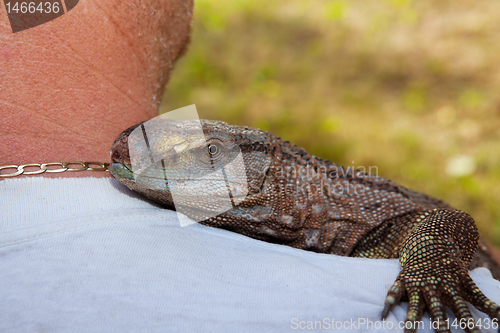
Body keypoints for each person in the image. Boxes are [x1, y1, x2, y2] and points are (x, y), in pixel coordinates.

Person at [1, 1, 500, 332]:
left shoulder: (342, 215)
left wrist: (429, 267)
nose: (135, 154)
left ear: (268, 172)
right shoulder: (240, 202)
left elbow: (448, 222)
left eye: (207, 153)